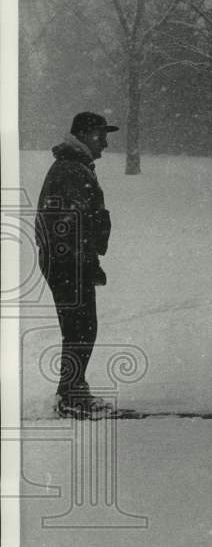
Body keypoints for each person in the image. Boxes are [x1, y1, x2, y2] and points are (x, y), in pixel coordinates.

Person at [34, 112, 118, 416]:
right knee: (80, 328)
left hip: (67, 258)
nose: (105, 143)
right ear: (84, 135)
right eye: (101, 135)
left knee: (80, 327)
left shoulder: (75, 166)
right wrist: (82, 259)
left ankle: (71, 391)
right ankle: (72, 395)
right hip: (66, 260)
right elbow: (70, 222)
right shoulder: (71, 170)